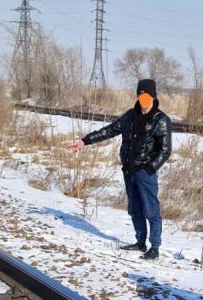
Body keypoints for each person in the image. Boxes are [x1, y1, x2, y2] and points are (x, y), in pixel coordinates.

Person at [67, 79, 172, 260]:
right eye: (141, 97)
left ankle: (154, 248)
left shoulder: (161, 120)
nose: (144, 102)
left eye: (147, 98)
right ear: (139, 97)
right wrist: (84, 141)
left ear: (153, 98)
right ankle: (140, 242)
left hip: (145, 172)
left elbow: (165, 150)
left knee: (151, 210)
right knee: (134, 209)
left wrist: (149, 168)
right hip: (129, 170)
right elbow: (109, 130)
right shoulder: (130, 115)